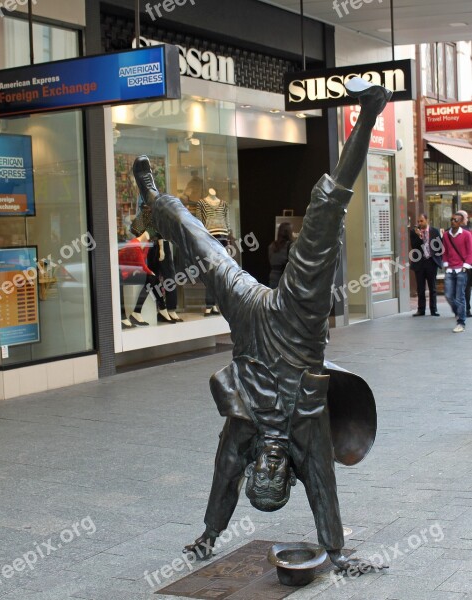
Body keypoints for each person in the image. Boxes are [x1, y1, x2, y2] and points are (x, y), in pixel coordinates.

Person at [133, 77, 392, 573]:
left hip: (250, 324)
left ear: (254, 468)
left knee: (202, 246)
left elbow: (220, 482)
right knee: (323, 219)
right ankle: (368, 115)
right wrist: (336, 554)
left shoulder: (241, 437)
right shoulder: (307, 436)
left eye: (261, 474)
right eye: (277, 474)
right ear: (287, 476)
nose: (270, 465)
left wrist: (208, 537)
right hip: (297, 331)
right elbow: (324, 492)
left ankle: (156, 203)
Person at [118, 230, 173, 328]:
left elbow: (141, 262)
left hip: (131, 271)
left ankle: (141, 311)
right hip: (121, 273)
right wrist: (149, 272)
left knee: (152, 279)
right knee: (152, 278)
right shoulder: (135, 245)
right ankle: (160, 309)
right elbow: (142, 265)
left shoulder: (146, 244)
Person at [196, 188, 230, 316]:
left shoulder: (224, 204)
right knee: (210, 271)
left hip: (223, 238)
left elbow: (227, 222)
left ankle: (215, 304)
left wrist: (229, 236)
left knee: (220, 272)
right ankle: (209, 304)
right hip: (209, 238)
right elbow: (198, 221)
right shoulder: (201, 203)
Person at [442, 212, 472, 333]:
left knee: (460, 297)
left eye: (455, 220)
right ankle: (459, 311)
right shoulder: (446, 235)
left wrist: (465, 266)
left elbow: (470, 252)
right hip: (450, 269)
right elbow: (444, 252)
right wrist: (445, 263)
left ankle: (461, 322)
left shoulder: (466, 234)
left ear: (460, 222)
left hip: (462, 269)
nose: (453, 221)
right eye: (452, 219)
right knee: (449, 295)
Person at [409, 214, 442, 316]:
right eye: (418, 221)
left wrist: (437, 260)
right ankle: (421, 309)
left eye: (421, 221)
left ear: (427, 220)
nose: (419, 223)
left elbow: (439, 247)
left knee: (432, 288)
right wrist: (420, 236)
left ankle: (434, 309)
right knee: (420, 288)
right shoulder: (414, 232)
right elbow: (414, 246)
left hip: (431, 262)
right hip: (419, 263)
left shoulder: (435, 231)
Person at [268, 222, 294, 288]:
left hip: (272, 278)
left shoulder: (271, 246)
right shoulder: (291, 246)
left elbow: (270, 261)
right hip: (284, 279)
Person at [456, 209, 472, 317]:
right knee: (466, 288)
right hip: (467, 264)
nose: (468, 220)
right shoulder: (469, 231)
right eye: (466, 218)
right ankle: (466, 309)